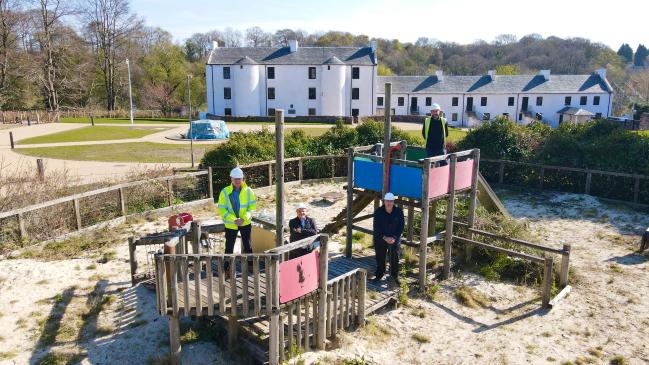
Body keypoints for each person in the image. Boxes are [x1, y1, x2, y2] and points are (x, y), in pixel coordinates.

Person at [217, 167, 257, 276]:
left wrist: (243, 218)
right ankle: (227, 270)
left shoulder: (249, 191)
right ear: (231, 178)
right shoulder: (224, 192)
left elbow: (252, 207)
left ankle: (250, 266)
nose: (238, 181)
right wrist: (234, 219)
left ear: (243, 178)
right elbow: (222, 209)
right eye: (236, 179)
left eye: (240, 179)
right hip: (231, 224)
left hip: (245, 223)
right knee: (229, 247)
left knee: (248, 246)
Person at [372, 192, 405, 285]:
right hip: (381, 239)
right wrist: (385, 237)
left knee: (395, 259)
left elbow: (401, 226)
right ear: (384, 201)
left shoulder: (399, 212)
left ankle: (395, 277)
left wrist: (394, 237)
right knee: (380, 258)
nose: (389, 203)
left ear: (393, 201)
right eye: (387, 201)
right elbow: (376, 227)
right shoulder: (378, 212)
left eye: (391, 201)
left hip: (394, 240)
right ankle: (379, 275)